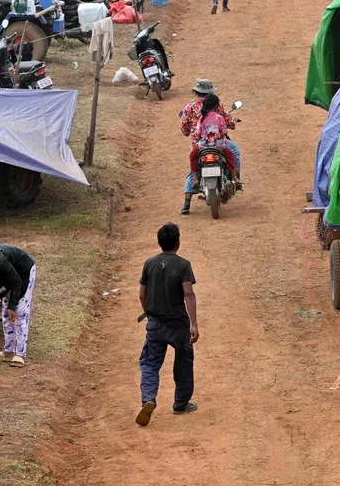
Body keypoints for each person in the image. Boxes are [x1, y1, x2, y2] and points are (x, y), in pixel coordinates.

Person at [136, 223, 198, 425]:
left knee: (150, 363)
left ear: (159, 243)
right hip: (178, 325)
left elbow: (142, 294)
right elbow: (188, 293)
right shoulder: (183, 265)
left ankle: (148, 399)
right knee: (183, 360)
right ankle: (181, 403)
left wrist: (148, 313)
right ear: (178, 243)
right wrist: (194, 324)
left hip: (155, 323)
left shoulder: (149, 263)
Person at [180, 79, 240, 215]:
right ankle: (235, 177)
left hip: (200, 145)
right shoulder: (218, 108)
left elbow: (185, 131)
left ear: (197, 92)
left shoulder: (188, 108)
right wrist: (233, 122)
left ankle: (187, 202)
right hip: (218, 144)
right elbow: (227, 125)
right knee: (234, 151)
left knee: (194, 166)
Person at [189, 93, 239, 181]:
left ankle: (195, 179)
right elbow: (224, 131)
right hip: (218, 145)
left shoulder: (201, 118)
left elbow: (198, 134)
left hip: (203, 146)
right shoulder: (219, 117)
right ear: (216, 106)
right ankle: (234, 177)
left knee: (193, 156)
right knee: (230, 155)